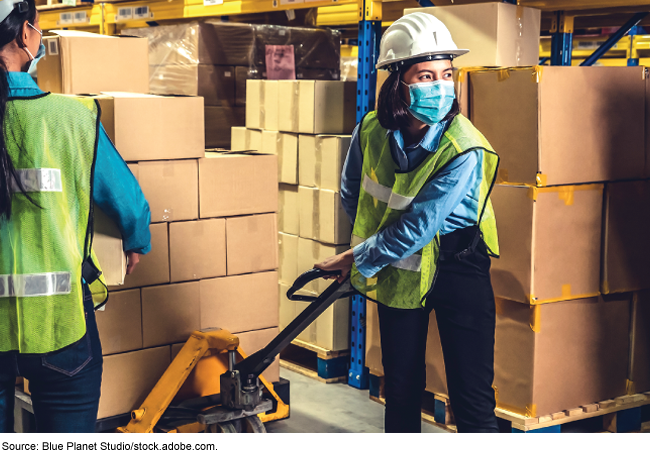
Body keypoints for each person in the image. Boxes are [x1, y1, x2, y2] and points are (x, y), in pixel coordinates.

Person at [315, 12, 501, 433]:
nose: (440, 86)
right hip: (400, 266)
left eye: (447, 74)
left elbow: (420, 225)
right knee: (400, 388)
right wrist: (370, 253)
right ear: (397, 80)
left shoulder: (464, 147)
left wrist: (357, 256)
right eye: (425, 75)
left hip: (459, 265)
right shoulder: (369, 131)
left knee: (471, 398)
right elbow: (353, 196)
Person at [0, 0, 151, 433]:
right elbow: (130, 204)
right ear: (26, 35)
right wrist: (135, 241)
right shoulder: (73, 117)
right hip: (59, 320)